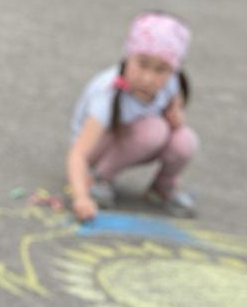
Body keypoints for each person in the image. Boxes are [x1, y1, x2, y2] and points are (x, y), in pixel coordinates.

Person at [66, 12, 198, 221]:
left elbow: (176, 99)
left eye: (161, 70)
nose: (148, 78)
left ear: (173, 70)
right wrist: (80, 197)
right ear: (128, 57)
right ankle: (100, 178)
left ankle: (162, 187)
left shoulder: (172, 83)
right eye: (142, 64)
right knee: (155, 130)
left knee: (184, 140)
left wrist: (176, 111)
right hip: (96, 150)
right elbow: (78, 154)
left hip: (135, 139)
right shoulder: (107, 94)